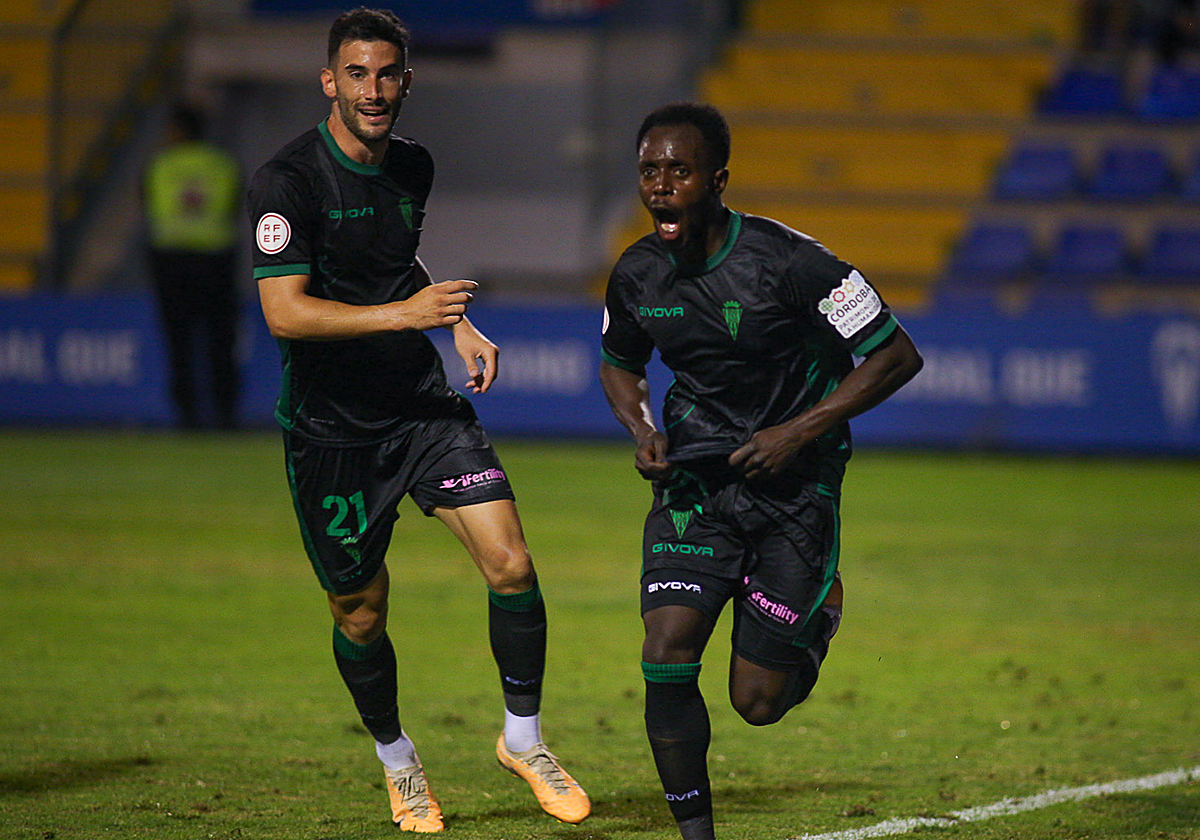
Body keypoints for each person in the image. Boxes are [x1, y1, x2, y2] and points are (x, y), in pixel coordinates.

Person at [245, 8, 589, 833]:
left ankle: (523, 740)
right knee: (360, 612)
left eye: (388, 73)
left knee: (510, 562)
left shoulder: (413, 168)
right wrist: (408, 314)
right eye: (356, 74)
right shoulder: (284, 183)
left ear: (407, 79)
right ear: (329, 80)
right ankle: (399, 762)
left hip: (421, 410)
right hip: (332, 433)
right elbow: (285, 314)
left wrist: (450, 321)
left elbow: (395, 264)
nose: (374, 90)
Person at [599, 102, 923, 840]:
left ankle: (821, 612)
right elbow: (619, 365)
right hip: (695, 487)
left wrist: (798, 431)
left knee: (758, 702)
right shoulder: (637, 273)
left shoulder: (793, 262)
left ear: (718, 179)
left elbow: (897, 354)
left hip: (794, 487)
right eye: (650, 171)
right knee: (666, 650)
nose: (660, 186)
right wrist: (642, 427)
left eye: (678, 171)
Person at [144, 102, 242, 429]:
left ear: (176, 131)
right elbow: (232, 207)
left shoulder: (159, 164)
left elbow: (149, 208)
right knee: (220, 342)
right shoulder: (222, 164)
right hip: (215, 261)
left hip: (171, 262)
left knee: (179, 343)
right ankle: (225, 416)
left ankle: (186, 416)